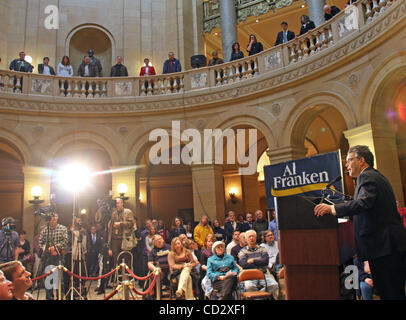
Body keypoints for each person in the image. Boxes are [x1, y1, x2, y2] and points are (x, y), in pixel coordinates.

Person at [314, 145, 406, 300]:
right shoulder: (376, 176)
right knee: (393, 292)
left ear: (362, 161)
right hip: (387, 247)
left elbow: (363, 203)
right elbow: (369, 210)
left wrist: (332, 209)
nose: (346, 165)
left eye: (350, 160)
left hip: (384, 247)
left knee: (390, 293)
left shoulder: (367, 177)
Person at [239, 230, 279, 299]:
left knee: (274, 285)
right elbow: (244, 265)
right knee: (249, 287)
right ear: (246, 239)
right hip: (249, 275)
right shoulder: (243, 251)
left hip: (263, 274)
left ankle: (259, 298)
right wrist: (259, 263)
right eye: (249, 237)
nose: (251, 238)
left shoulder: (262, 249)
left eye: (253, 236)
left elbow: (265, 262)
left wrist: (253, 261)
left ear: (256, 237)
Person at [107, 198, 135, 269]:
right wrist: (109, 243)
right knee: (116, 260)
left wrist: (120, 224)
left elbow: (131, 223)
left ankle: (126, 277)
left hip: (124, 239)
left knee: (126, 260)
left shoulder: (128, 212)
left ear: (122, 203)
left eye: (118, 203)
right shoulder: (114, 213)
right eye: (116, 203)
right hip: (115, 239)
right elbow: (111, 228)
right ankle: (117, 277)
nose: (117, 205)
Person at [199, 234, 215, 298]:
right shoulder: (204, 253)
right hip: (206, 273)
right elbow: (203, 266)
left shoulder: (216, 252)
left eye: (212, 241)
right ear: (205, 243)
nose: (211, 243)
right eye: (209, 241)